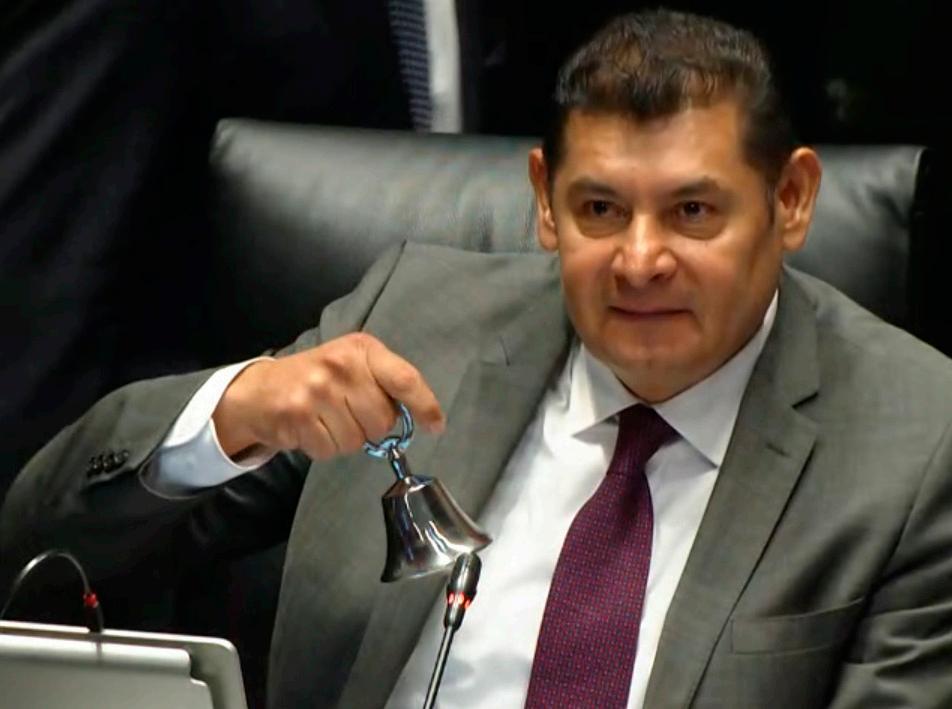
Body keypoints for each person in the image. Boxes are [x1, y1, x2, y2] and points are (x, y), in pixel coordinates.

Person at [4, 9, 952, 708]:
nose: (640, 259)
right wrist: (233, 413)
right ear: (544, 202)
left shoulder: (918, 446)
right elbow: (40, 545)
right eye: (600, 209)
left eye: (693, 211)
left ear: (791, 200)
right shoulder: (412, 320)